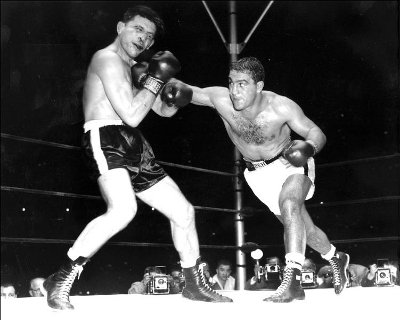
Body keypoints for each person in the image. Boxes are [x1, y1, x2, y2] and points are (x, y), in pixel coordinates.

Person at [42, 5, 232, 310]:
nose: (143, 39)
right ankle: (62, 276)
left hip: (134, 144)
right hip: (105, 137)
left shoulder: (134, 68)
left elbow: (157, 111)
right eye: (138, 29)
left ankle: (195, 283)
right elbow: (131, 114)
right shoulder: (106, 59)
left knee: (183, 212)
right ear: (120, 27)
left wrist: (173, 100)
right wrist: (156, 81)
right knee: (123, 210)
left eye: (149, 36)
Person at [167, 56, 350, 302]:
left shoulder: (281, 106)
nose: (234, 90)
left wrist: (308, 148)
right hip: (257, 174)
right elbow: (188, 91)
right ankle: (334, 256)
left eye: (242, 84)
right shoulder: (220, 99)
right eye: (231, 82)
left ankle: (293, 280)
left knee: (289, 204)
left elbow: (315, 132)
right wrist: (159, 81)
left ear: (259, 86)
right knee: (302, 227)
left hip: (290, 164)